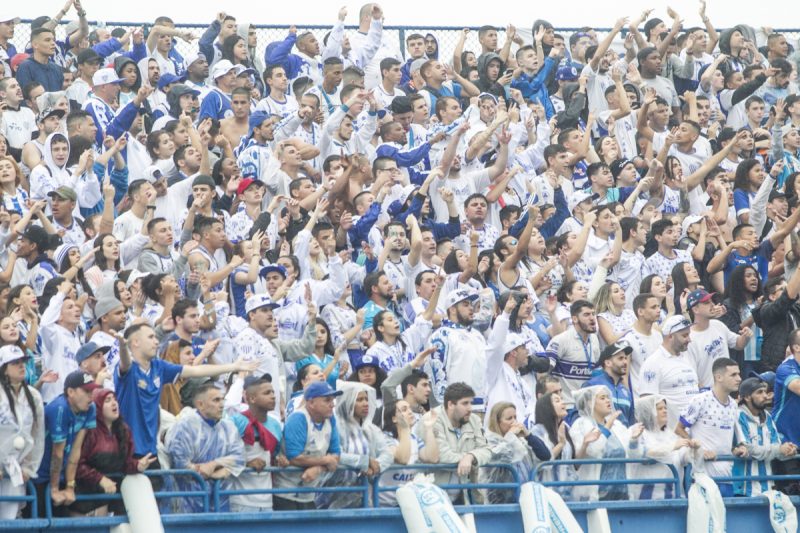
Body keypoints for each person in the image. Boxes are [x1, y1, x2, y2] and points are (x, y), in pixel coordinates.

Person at [71, 388, 155, 517]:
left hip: (113, 495)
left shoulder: (123, 430)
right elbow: (78, 465)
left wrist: (137, 465)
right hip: (86, 496)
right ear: (98, 406)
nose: (114, 403)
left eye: (115, 399)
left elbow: (125, 463)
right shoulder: (89, 431)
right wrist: (100, 479)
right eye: (108, 401)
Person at [165, 382, 245, 513]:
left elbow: (239, 458)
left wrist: (213, 465)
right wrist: (217, 470)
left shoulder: (228, 427)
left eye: (222, 399)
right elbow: (181, 464)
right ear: (200, 404)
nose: (222, 405)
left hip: (220, 502)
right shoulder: (185, 427)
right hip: (188, 503)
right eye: (216, 400)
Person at [675, 357, 743, 497]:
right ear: (718, 377)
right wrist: (699, 449)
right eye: (733, 375)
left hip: (727, 476)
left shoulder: (733, 404)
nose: (739, 378)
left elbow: (729, 438)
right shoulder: (700, 400)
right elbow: (679, 429)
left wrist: (738, 448)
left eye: (739, 374)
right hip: (702, 476)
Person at [35, 371, 98, 516]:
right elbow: (57, 453)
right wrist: (55, 489)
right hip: (38, 476)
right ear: (70, 392)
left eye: (92, 391)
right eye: (86, 391)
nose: (91, 395)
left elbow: (76, 450)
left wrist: (70, 486)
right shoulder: (59, 408)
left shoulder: (90, 408)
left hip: (60, 475)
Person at [273, 381, 342, 511]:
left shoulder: (330, 419)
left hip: (309, 493)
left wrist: (318, 468)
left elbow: (336, 454)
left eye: (332, 400)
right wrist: (325, 461)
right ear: (311, 403)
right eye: (327, 400)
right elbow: (294, 457)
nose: (332, 404)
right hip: (285, 493)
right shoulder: (298, 418)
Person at [569, 385, 643, 501]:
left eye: (608, 397)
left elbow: (634, 456)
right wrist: (607, 427)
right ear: (590, 403)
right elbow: (593, 450)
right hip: (592, 496)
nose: (608, 400)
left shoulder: (617, 426)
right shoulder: (581, 424)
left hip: (622, 494)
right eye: (602, 398)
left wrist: (633, 441)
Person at [229, 373, 285, 512]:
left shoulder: (276, 424)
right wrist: (247, 463)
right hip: (240, 500)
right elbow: (221, 455)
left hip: (267, 501)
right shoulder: (236, 421)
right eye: (267, 393)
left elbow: (274, 455)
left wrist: (280, 460)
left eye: (273, 392)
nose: (273, 396)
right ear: (252, 398)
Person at [733, 377, 798, 496]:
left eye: (765, 392)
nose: (765, 396)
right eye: (759, 392)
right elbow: (748, 448)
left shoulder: (768, 416)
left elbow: (777, 448)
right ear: (747, 397)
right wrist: (778, 449)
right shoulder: (738, 415)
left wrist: (787, 450)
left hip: (769, 490)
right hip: (744, 490)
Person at [0, 345, 44, 519]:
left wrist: (29, 468)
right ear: (4, 369)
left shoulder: (33, 396)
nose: (21, 366)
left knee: (11, 517)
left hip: (15, 470)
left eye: (23, 362)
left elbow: (37, 436)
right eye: (15, 363)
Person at [431, 382, 493, 503]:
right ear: (450, 404)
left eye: (471, 403)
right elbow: (441, 456)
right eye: (465, 403)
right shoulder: (432, 419)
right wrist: (466, 457)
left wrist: (470, 457)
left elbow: (487, 450)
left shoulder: (473, 420)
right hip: (436, 496)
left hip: (466, 493)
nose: (470, 408)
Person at [482, 401, 550, 504]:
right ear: (497, 421)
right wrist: (510, 435)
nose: (514, 422)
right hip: (501, 500)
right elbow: (502, 457)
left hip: (527, 497)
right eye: (509, 419)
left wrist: (528, 436)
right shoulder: (488, 440)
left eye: (515, 417)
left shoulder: (519, 440)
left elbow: (545, 455)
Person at [631, 395, 697, 500]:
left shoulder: (670, 435)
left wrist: (694, 449)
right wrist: (671, 447)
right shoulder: (638, 432)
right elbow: (641, 454)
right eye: (660, 409)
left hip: (672, 495)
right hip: (644, 496)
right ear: (648, 412)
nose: (665, 411)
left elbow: (683, 457)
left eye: (665, 408)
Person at [639, 315, 699, 429]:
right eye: (684, 335)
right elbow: (647, 403)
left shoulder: (687, 357)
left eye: (689, 335)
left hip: (695, 427)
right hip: (672, 431)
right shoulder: (653, 363)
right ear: (670, 336)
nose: (689, 339)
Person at [686, 289, 752, 389]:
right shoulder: (689, 338)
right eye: (707, 303)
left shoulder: (718, 325)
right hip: (708, 393)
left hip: (728, 389)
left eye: (711, 301)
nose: (712, 304)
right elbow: (691, 375)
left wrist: (745, 336)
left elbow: (738, 344)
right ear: (695, 309)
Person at [545, 300, 601, 409]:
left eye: (593, 314)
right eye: (586, 315)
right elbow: (544, 371)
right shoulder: (561, 340)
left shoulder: (594, 339)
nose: (592, 318)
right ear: (574, 319)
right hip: (567, 405)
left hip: (587, 406)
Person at [584, 341, 635, 426]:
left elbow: (631, 422)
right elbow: (582, 415)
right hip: (601, 436)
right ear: (608, 363)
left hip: (624, 437)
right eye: (620, 358)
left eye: (626, 358)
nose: (625, 362)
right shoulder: (593, 385)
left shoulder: (626, 391)